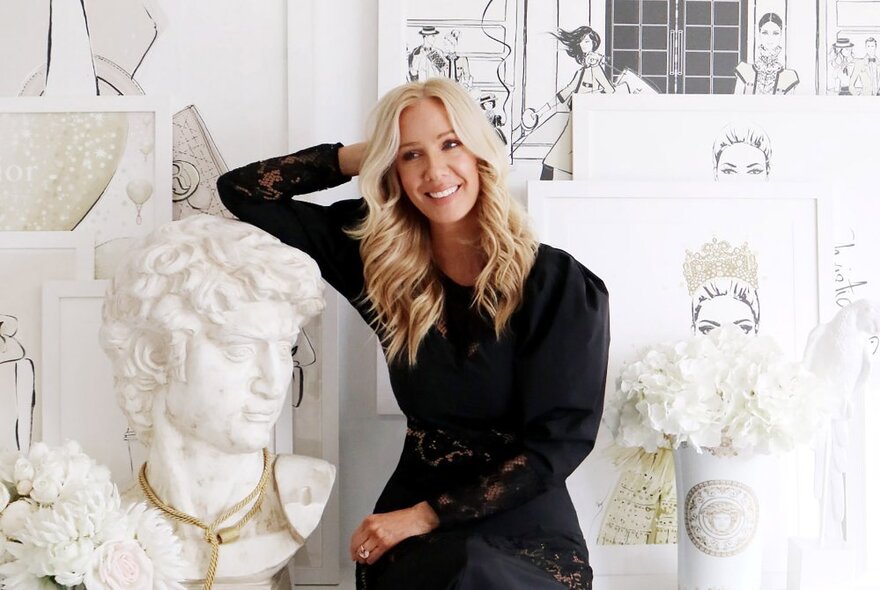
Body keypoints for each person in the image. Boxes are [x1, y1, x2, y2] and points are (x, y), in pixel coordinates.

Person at [217, 77, 610, 590]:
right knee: (454, 569)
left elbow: (558, 445)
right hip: (415, 536)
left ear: (479, 154)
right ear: (392, 170)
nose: (435, 171)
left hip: (525, 525)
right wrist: (357, 156)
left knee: (478, 571)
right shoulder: (377, 259)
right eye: (411, 156)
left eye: (450, 144)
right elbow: (242, 191)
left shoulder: (556, 285)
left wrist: (424, 516)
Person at [100, 214, 336, 589]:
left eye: (285, 349)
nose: (274, 382)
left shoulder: (306, 492)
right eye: (239, 350)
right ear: (156, 355)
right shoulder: (108, 523)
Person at [541, 26, 615, 180]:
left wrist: (590, 98)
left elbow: (610, 91)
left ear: (594, 44)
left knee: (556, 161)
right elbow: (566, 91)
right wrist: (540, 111)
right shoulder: (581, 72)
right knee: (555, 160)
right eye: (582, 42)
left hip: (586, 121)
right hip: (574, 118)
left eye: (588, 41)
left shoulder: (596, 70)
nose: (585, 45)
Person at [734, 13, 799, 95]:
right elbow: (735, 104)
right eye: (765, 33)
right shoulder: (744, 71)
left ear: (781, 35)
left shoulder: (790, 77)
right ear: (759, 33)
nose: (770, 38)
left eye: (775, 33)